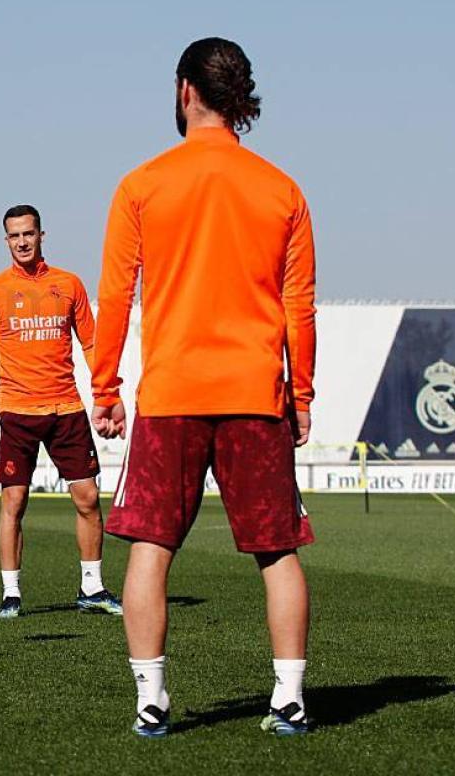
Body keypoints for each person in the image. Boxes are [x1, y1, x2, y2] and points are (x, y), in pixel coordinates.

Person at [90, 39, 317, 737]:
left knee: (150, 550)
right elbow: (298, 304)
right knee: (277, 552)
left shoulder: (143, 183)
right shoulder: (281, 188)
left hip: (172, 396)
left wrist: (104, 386)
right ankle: (289, 699)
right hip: (255, 394)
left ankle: (151, 700)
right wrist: (300, 394)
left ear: (185, 89)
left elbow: (116, 295)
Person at [0, 205, 120, 619]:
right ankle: (11, 593)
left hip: (66, 408)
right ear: (6, 240)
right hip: (16, 413)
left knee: (87, 498)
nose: (23, 242)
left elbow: (92, 346)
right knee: (14, 503)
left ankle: (92, 588)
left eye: (29, 234)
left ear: (41, 235)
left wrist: (107, 393)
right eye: (15, 236)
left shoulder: (69, 284)